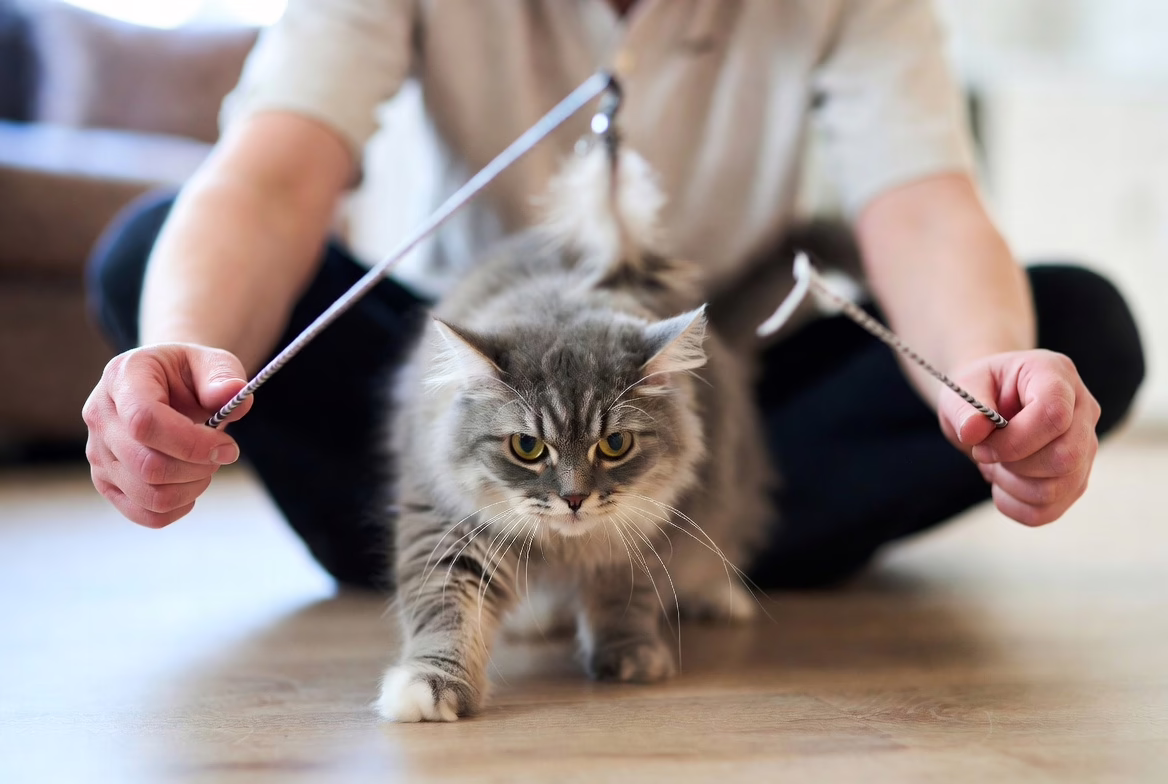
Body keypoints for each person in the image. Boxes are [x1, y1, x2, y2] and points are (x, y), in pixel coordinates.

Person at [83, 0, 1144, 590]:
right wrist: (182, 356)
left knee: (1073, 327)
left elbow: (921, 208)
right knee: (148, 259)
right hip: (479, 409)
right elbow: (271, 177)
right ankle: (561, 548)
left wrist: (985, 378)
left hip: (704, 403)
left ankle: (615, 552)